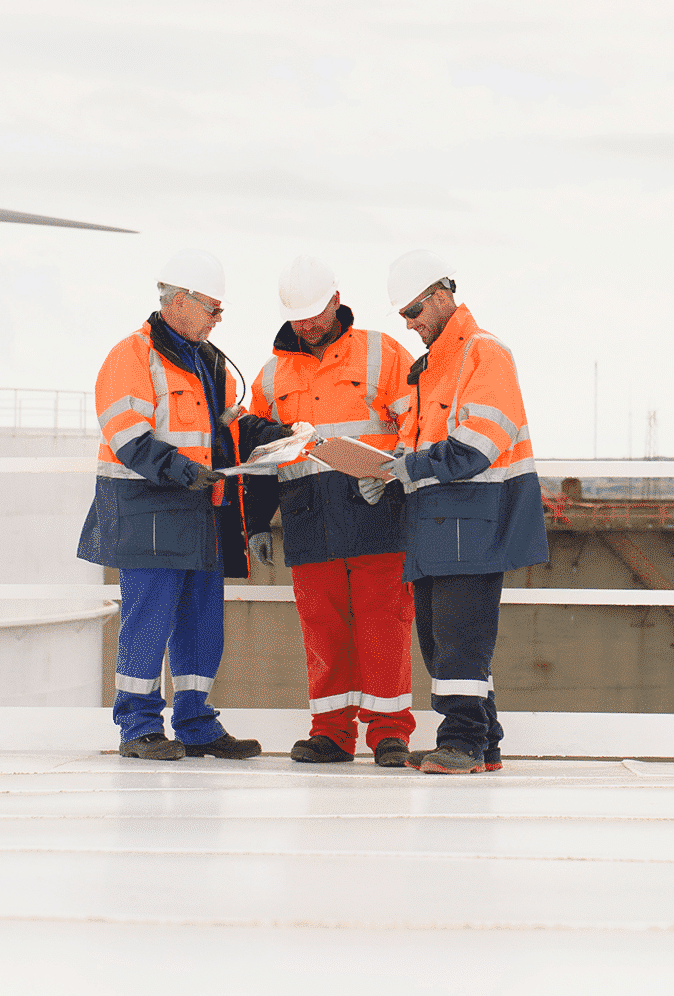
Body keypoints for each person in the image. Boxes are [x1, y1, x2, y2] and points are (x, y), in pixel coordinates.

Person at [77, 248, 292, 761]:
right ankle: (138, 727)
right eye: (212, 308)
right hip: (149, 509)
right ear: (179, 301)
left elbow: (229, 423)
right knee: (147, 619)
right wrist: (183, 470)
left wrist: (277, 435)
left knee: (201, 621)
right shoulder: (131, 356)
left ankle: (195, 722)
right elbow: (129, 436)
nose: (219, 319)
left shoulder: (209, 362)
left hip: (202, 510)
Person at [243, 255, 418, 767]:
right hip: (308, 519)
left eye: (316, 312)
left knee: (383, 626)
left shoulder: (382, 354)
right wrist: (256, 521)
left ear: (337, 302)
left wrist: (391, 473)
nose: (307, 323)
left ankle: (389, 733)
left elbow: (415, 424)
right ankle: (331, 733)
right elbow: (256, 449)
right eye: (298, 315)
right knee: (323, 630)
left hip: (378, 514)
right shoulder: (272, 374)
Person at [381, 250, 548, 775]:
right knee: (441, 640)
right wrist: (386, 469)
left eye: (414, 312)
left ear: (440, 295)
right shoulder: (431, 369)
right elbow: (424, 442)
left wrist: (407, 469)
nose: (410, 325)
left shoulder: (483, 354)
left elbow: (477, 445)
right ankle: (484, 741)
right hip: (436, 524)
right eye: (403, 317)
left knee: (459, 640)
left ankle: (462, 741)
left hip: (474, 522)